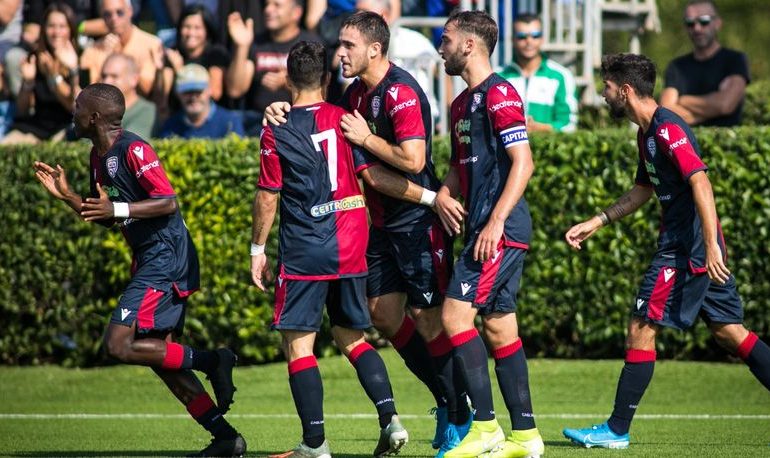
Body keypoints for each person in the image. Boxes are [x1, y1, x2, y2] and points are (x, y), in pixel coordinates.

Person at [265, 12, 468, 455]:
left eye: (348, 46)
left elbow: (414, 161)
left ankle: (460, 412)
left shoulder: (401, 91)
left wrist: (366, 139)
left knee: (431, 321)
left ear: (375, 49)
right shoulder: (355, 93)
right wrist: (278, 106)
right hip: (376, 227)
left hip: (416, 221)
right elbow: (319, 116)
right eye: (339, 45)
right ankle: (442, 400)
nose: (340, 53)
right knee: (382, 314)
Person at [562, 53, 770, 449]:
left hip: (685, 250)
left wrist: (709, 247)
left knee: (642, 326)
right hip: (693, 248)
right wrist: (599, 220)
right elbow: (643, 189)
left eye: (606, 88)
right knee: (730, 333)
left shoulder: (667, 127)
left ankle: (616, 430)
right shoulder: (646, 134)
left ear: (624, 90)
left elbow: (701, 182)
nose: (603, 96)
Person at [32, 83, 246, 457]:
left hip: (167, 259)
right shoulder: (97, 158)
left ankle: (213, 360)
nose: (74, 110)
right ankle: (226, 438)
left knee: (117, 343)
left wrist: (117, 211)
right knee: (159, 357)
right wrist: (68, 197)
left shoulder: (134, 148)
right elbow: (107, 217)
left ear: (95, 116)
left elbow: (166, 202)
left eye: (79, 105)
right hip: (150, 260)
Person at [433, 10, 544, 457]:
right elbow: (461, 169)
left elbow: (524, 162)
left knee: (454, 318)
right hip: (482, 227)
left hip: (498, 229)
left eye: (446, 39)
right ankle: (527, 437)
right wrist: (443, 193)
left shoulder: (500, 93)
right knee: (499, 328)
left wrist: (495, 221)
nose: (440, 46)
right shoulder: (462, 104)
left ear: (468, 45)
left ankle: (485, 428)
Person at [225, 0, 320, 135]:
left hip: (299, 122)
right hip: (258, 122)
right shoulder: (256, 43)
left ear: (296, 13)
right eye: (267, 5)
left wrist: (289, 83)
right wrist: (242, 46)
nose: (268, 10)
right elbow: (235, 89)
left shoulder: (310, 45)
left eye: (277, 5)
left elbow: (321, 94)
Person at [660, 0, 749, 127]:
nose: (697, 28)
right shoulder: (676, 66)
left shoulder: (736, 60)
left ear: (718, 23)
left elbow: (725, 105)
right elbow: (665, 113)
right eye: (690, 23)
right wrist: (713, 107)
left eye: (704, 21)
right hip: (687, 145)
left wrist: (683, 100)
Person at [3, 2, 80, 145]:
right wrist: (28, 82)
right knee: (6, 146)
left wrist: (59, 74)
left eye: (62, 26)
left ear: (71, 29)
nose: (56, 32)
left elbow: (76, 106)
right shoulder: (35, 57)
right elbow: (22, 110)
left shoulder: (81, 57)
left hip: (68, 126)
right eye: (51, 26)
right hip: (38, 126)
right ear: (43, 29)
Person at [498, 12, 578, 133]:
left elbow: (570, 125)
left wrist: (543, 129)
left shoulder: (561, 75)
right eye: (521, 36)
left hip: (548, 150)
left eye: (535, 35)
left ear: (542, 39)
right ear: (512, 40)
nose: (529, 41)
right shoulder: (498, 75)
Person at [79, 0, 164, 96]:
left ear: (130, 11)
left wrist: (119, 55)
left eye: (120, 12)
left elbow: (146, 90)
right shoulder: (92, 50)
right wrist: (107, 59)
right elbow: (91, 95)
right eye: (107, 14)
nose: (114, 18)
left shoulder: (151, 44)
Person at [158, 63, 244, 139]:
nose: (193, 97)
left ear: (209, 90)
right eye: (187, 92)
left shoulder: (230, 123)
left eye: (198, 91)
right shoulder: (170, 127)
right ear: (177, 93)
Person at [163, 4, 230, 102]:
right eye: (186, 27)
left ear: (207, 30)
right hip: (178, 114)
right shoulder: (173, 53)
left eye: (197, 28)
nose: (191, 33)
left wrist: (180, 70)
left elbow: (215, 93)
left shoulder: (216, 53)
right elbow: (162, 99)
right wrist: (160, 70)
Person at [100, 53, 156, 139]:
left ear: (134, 79)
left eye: (114, 76)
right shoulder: (98, 110)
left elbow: (128, 145)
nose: (106, 81)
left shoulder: (146, 110)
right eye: (104, 76)